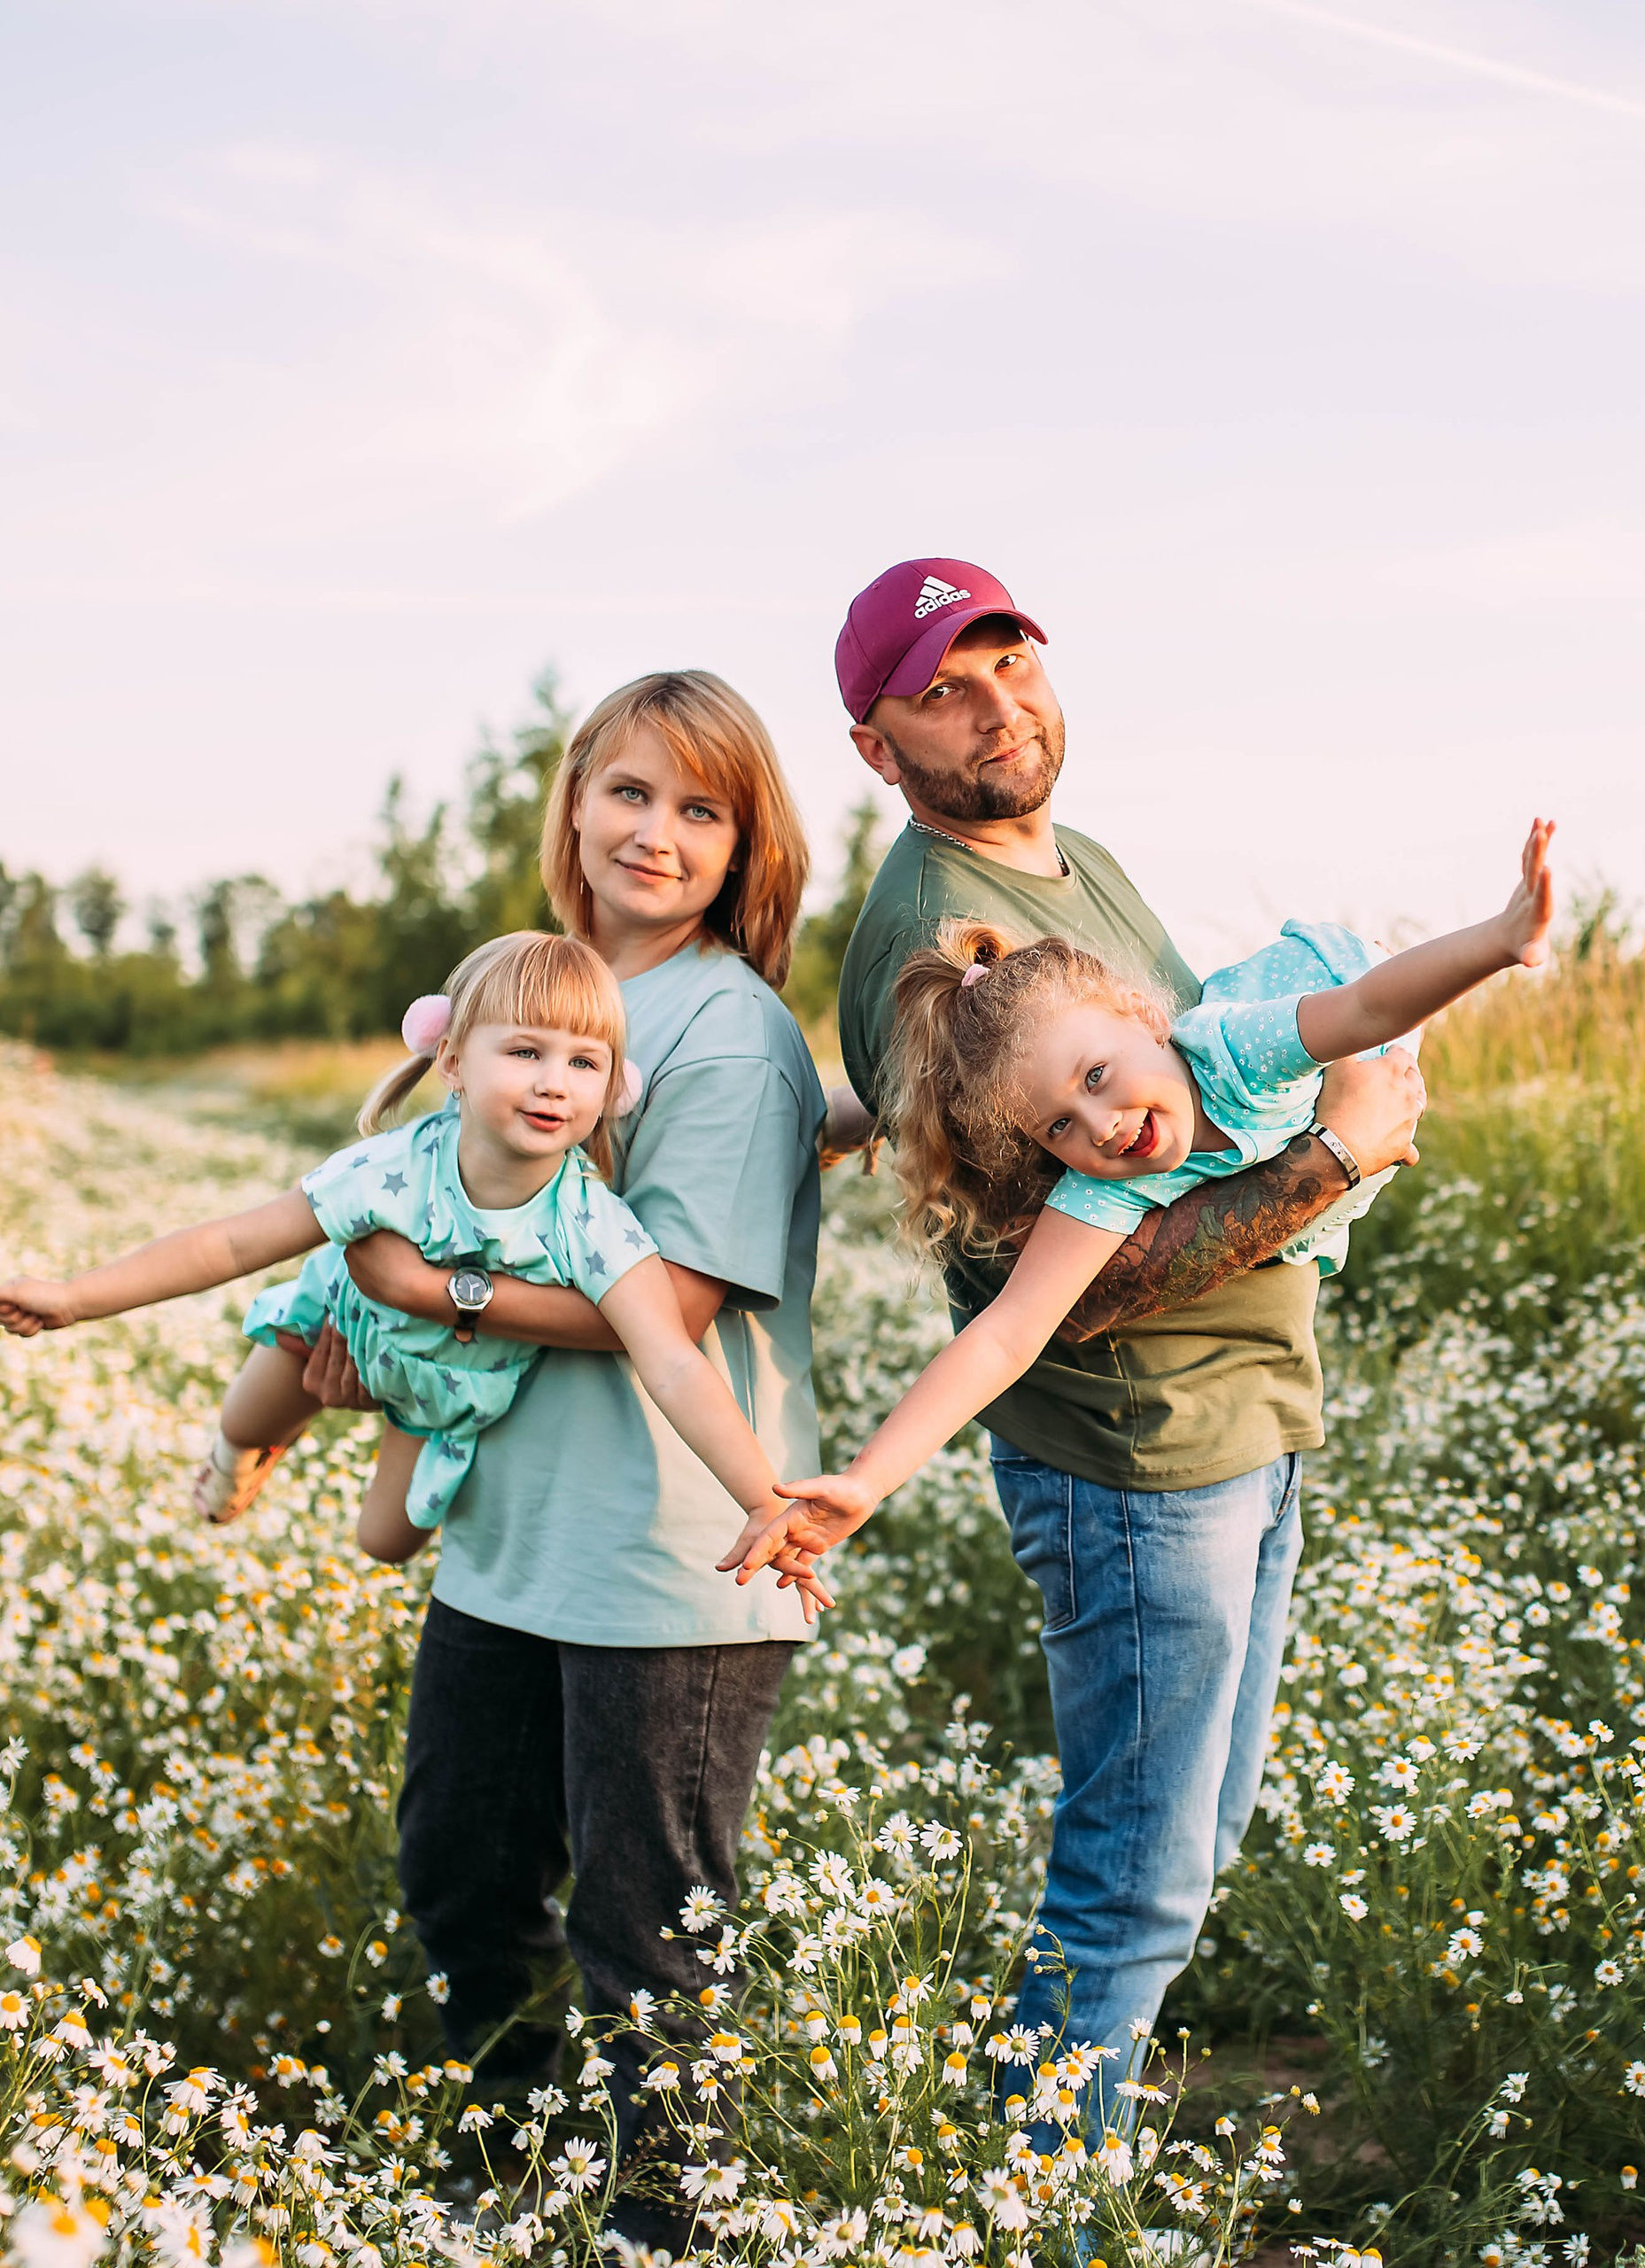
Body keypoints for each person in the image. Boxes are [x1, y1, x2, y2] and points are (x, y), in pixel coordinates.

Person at [816, 557, 1430, 2136]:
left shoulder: (1066, 861)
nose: (995, 707)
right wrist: (1334, 1164)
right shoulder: (927, 941)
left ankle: (1042, 2147)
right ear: (878, 749)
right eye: (942, 691)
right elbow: (1046, 1285)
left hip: (1241, 1420)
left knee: (1193, 1841)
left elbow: (1190, 1092)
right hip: (1138, 1466)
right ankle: (1037, 2186)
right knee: (1132, 1887)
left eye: (1008, 661)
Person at [302, 672, 826, 2251]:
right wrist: (368, 1341)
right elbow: (426, 1210)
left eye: (699, 809)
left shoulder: (730, 1034)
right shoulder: (548, 992)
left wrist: (430, 1288)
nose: (653, 834)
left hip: (665, 1557)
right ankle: (519, 2179)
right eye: (628, 792)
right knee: (462, 1875)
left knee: (646, 1938)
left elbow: (681, 1300)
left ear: (745, 847)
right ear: (575, 803)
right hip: (509, 1531)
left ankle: (669, 2224)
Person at [747, 819, 1553, 1566]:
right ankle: (850, 1112)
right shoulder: (1106, 1183)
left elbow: (1371, 1003)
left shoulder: (1238, 1049)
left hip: (1350, 997)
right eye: (1058, 1127)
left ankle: (849, 1114)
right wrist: (866, 1482)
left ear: (1142, 1016)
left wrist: (1501, 940)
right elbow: (1003, 1336)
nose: (1100, 1125)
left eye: (1096, 1076)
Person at [0, 934, 828, 1604]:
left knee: (383, 1543)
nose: (553, 1084)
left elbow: (675, 1362)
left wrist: (763, 1498)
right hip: (340, 1324)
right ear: (455, 1062)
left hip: (442, 1382)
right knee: (249, 1416)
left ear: (614, 1087)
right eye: (526, 1052)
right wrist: (74, 1299)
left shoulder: (593, 1223)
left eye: (584, 1063)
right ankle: (247, 1452)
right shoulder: (391, 1170)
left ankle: (348, 1421)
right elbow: (229, 1245)